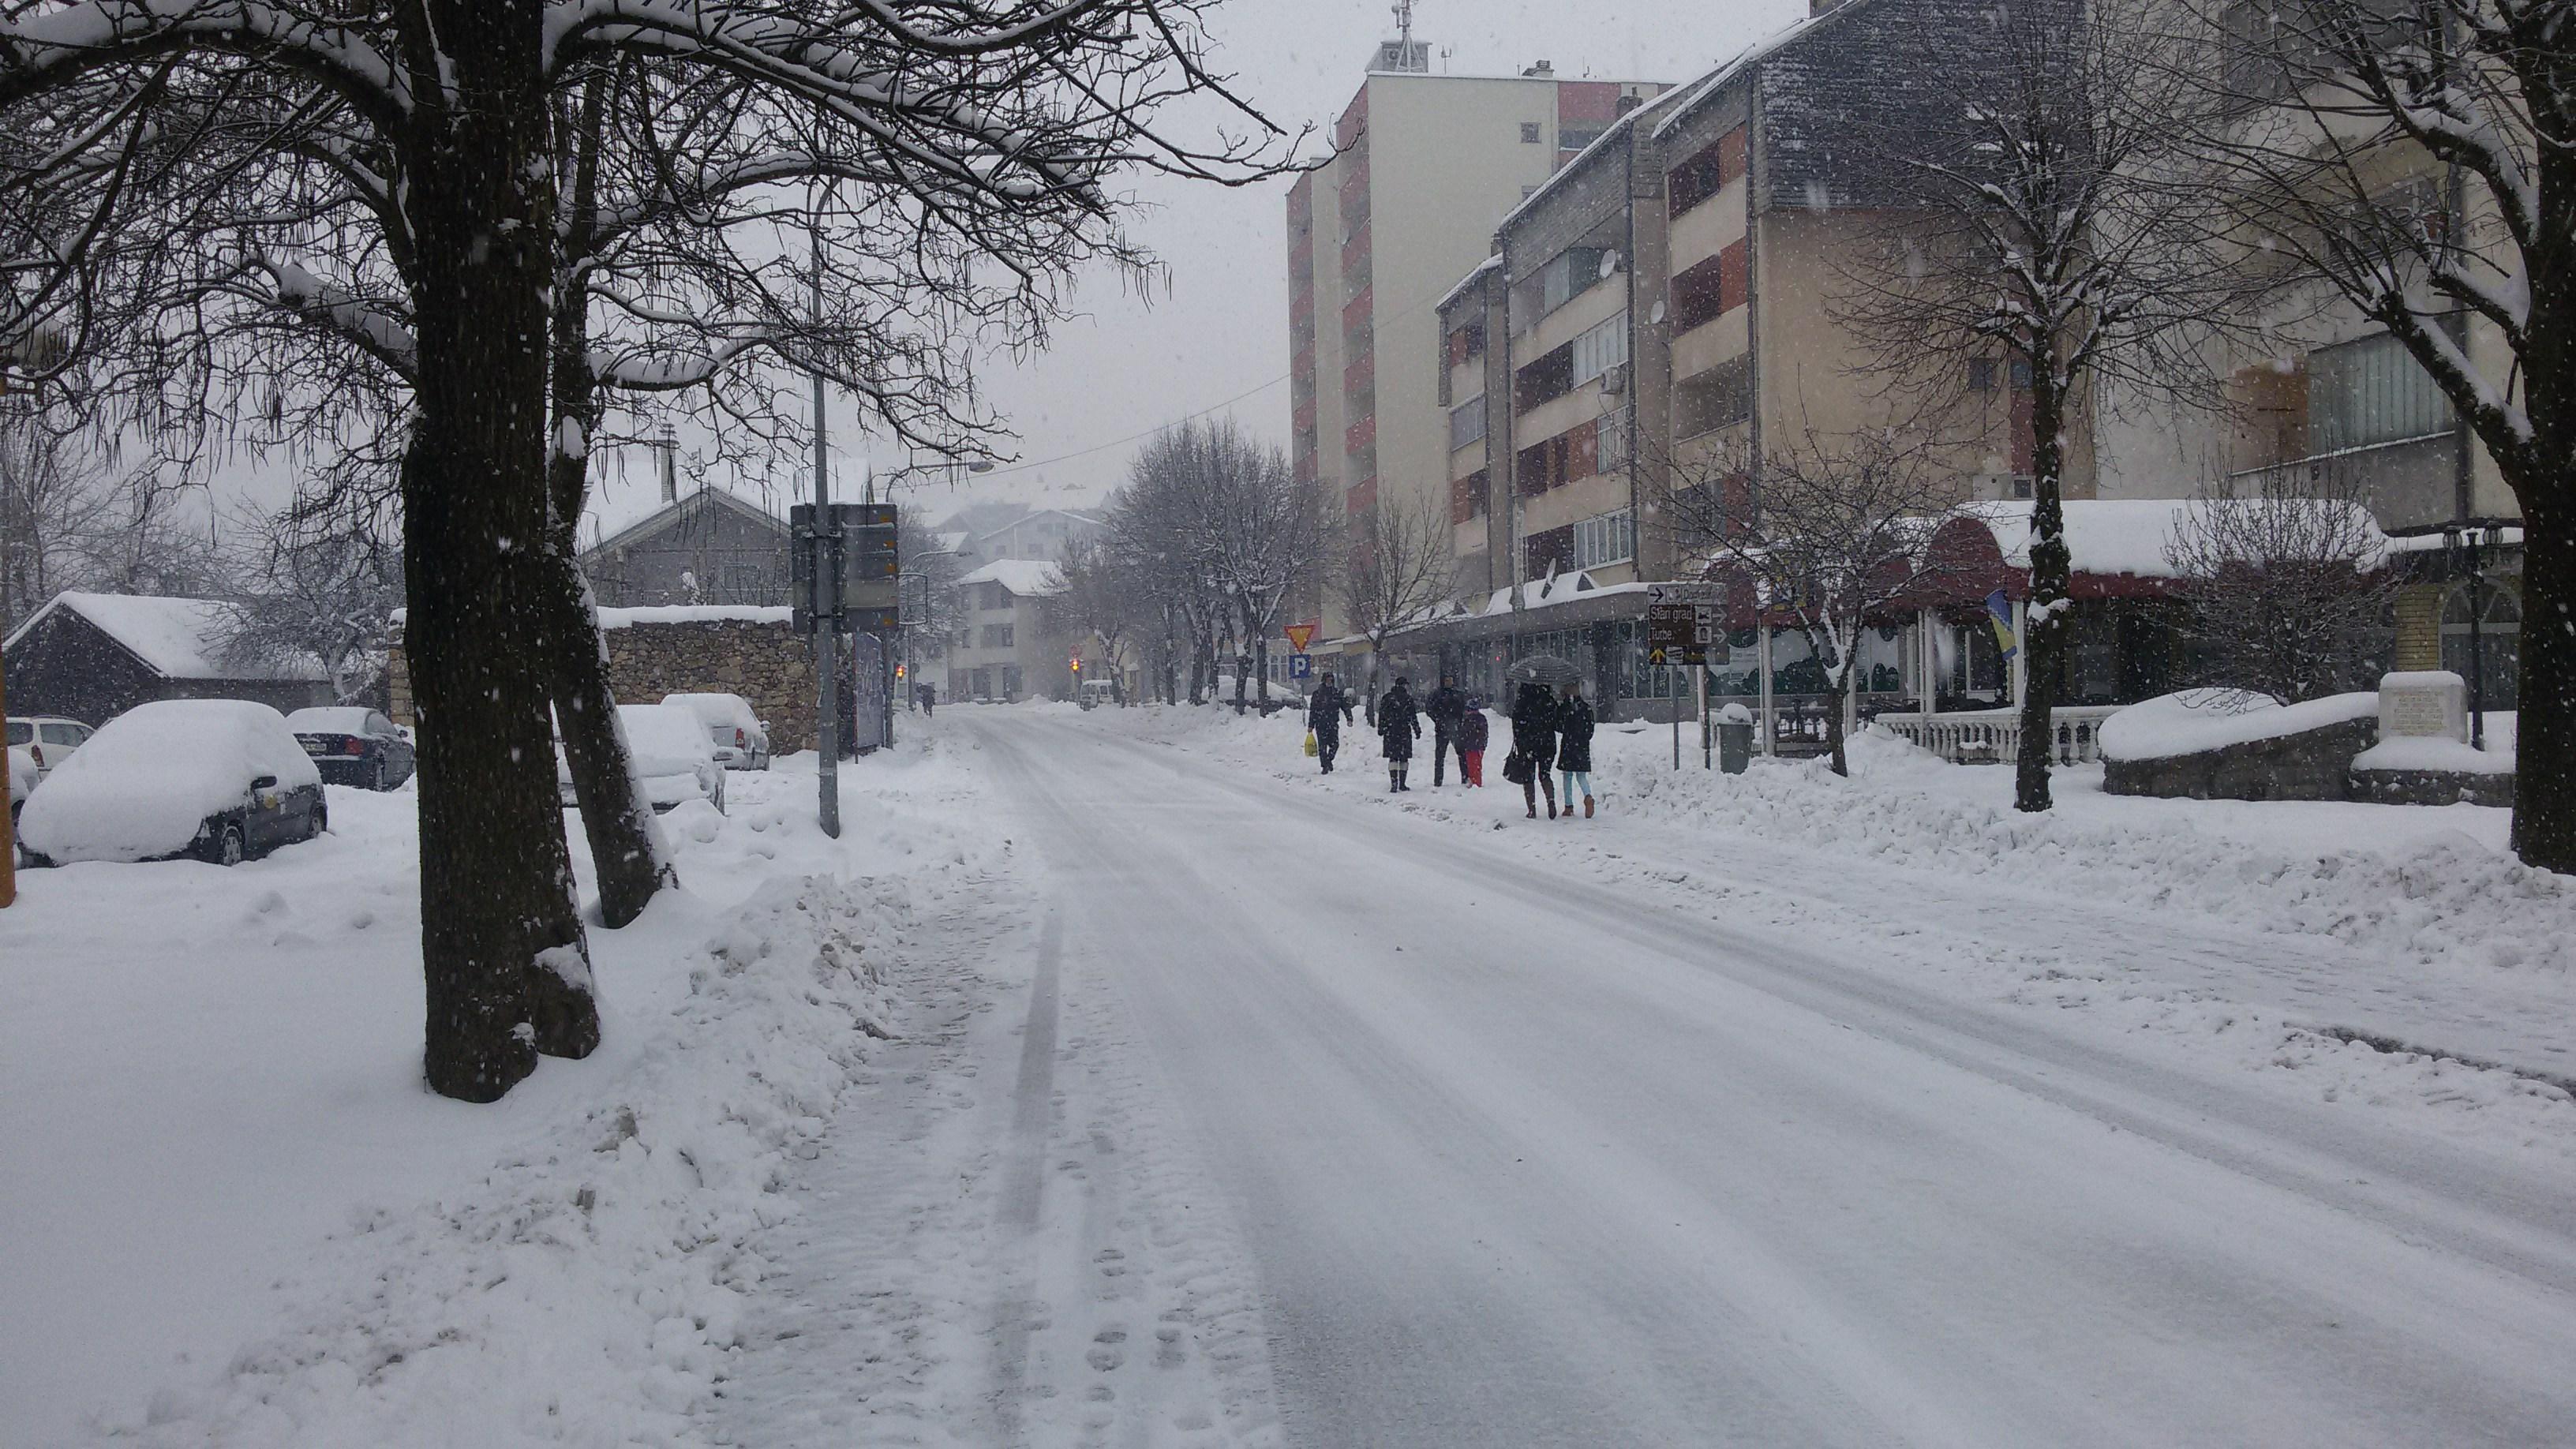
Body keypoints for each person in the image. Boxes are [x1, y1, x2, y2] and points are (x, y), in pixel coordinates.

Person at [1507, 680, 1559, 819]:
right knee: (1545, 774)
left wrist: (1519, 739)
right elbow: (1557, 722)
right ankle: (1551, 801)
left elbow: (1516, 722)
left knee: (1528, 777)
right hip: (1547, 743)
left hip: (1528, 744)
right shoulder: (1549, 700)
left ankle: (1532, 809)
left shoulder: (1523, 700)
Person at [1554, 681, 1597, 819]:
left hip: (1568, 745)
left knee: (1567, 776)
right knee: (1581, 776)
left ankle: (1568, 806)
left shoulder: (1565, 708)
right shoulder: (1586, 708)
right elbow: (1590, 729)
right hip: (1582, 746)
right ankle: (1588, 797)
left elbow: (1558, 726)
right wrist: (1583, 738)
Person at [1376, 676, 1422, 792]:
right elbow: (1413, 716)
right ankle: (1402, 784)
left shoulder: (1387, 698)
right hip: (1404, 731)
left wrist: (1381, 728)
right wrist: (1417, 729)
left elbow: (1382, 715)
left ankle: (1394, 783)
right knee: (1404, 758)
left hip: (1390, 731)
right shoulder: (1408, 699)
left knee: (1393, 758)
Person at [1423, 675, 1468, 786]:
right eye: (1447, 680)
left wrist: (1459, 721)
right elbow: (1429, 709)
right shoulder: (1439, 695)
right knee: (1440, 756)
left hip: (1454, 728)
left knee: (1460, 754)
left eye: (1450, 680)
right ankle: (1438, 781)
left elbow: (1464, 709)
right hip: (1443, 728)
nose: (1448, 682)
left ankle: (1465, 777)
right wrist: (1439, 720)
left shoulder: (1456, 694)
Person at [1308, 671, 1354, 774]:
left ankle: (1328, 760)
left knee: (1335, 745)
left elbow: (1345, 706)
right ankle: (1324, 766)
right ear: (1324, 680)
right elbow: (1313, 711)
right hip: (1321, 724)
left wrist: (1349, 718)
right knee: (1322, 747)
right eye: (1328, 680)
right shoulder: (1318, 694)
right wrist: (1311, 725)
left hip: (1333, 723)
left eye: (1331, 680)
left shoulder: (1337, 693)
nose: (1329, 682)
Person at [1457, 695, 1490, 787]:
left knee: (1472, 765)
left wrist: (1463, 742)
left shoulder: (1468, 720)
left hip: (1471, 746)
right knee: (1476, 765)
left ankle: (1475, 782)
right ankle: (1476, 780)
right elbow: (1484, 733)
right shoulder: (1481, 719)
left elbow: (1464, 733)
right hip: (1478, 746)